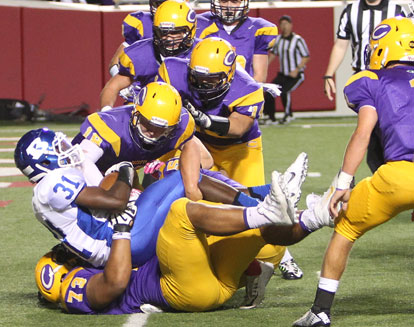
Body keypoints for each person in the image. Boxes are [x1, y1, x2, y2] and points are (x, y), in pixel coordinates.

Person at [34, 151, 336, 314]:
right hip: (182, 290)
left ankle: (315, 215)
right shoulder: (77, 287)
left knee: (261, 235)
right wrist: (122, 230)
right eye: (60, 257)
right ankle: (262, 203)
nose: (63, 252)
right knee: (182, 210)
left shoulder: (85, 261)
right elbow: (115, 282)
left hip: (204, 278)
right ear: (61, 274)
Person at [293, 17, 414, 327]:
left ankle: (320, 312)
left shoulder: (372, 79)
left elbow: (363, 134)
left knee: (345, 229)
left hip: (399, 176)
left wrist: (342, 184)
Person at [323, 0, 405, 173]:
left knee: (390, 131)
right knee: (371, 135)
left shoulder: (395, 10)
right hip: (366, 79)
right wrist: (329, 74)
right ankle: (385, 177)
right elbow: (340, 44)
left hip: (392, 79)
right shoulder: (351, 11)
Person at [100, 0, 198, 110]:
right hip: (148, 110)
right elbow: (112, 87)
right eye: (163, 32)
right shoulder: (143, 52)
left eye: (175, 32)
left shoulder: (202, 52)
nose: (169, 38)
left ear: (190, 31)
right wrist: (106, 110)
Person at [196, 0, 278, 83]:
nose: (228, 6)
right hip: (206, 88)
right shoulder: (202, 23)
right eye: (224, 1)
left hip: (242, 91)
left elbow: (259, 76)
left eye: (234, 2)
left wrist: (248, 94)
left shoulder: (258, 29)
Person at [263, 15, 310, 125]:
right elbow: (273, 54)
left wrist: (297, 69)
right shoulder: (278, 39)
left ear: (291, 25)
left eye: (286, 24)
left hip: (296, 75)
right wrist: (264, 66)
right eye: (282, 24)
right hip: (283, 74)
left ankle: (288, 115)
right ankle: (271, 117)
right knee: (270, 91)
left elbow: (306, 56)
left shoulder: (297, 40)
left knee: (285, 92)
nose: (284, 26)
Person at [108, 0, 166, 77]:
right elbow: (116, 63)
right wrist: (125, 88)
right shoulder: (142, 23)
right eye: (157, 3)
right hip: (147, 84)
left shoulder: (186, 23)